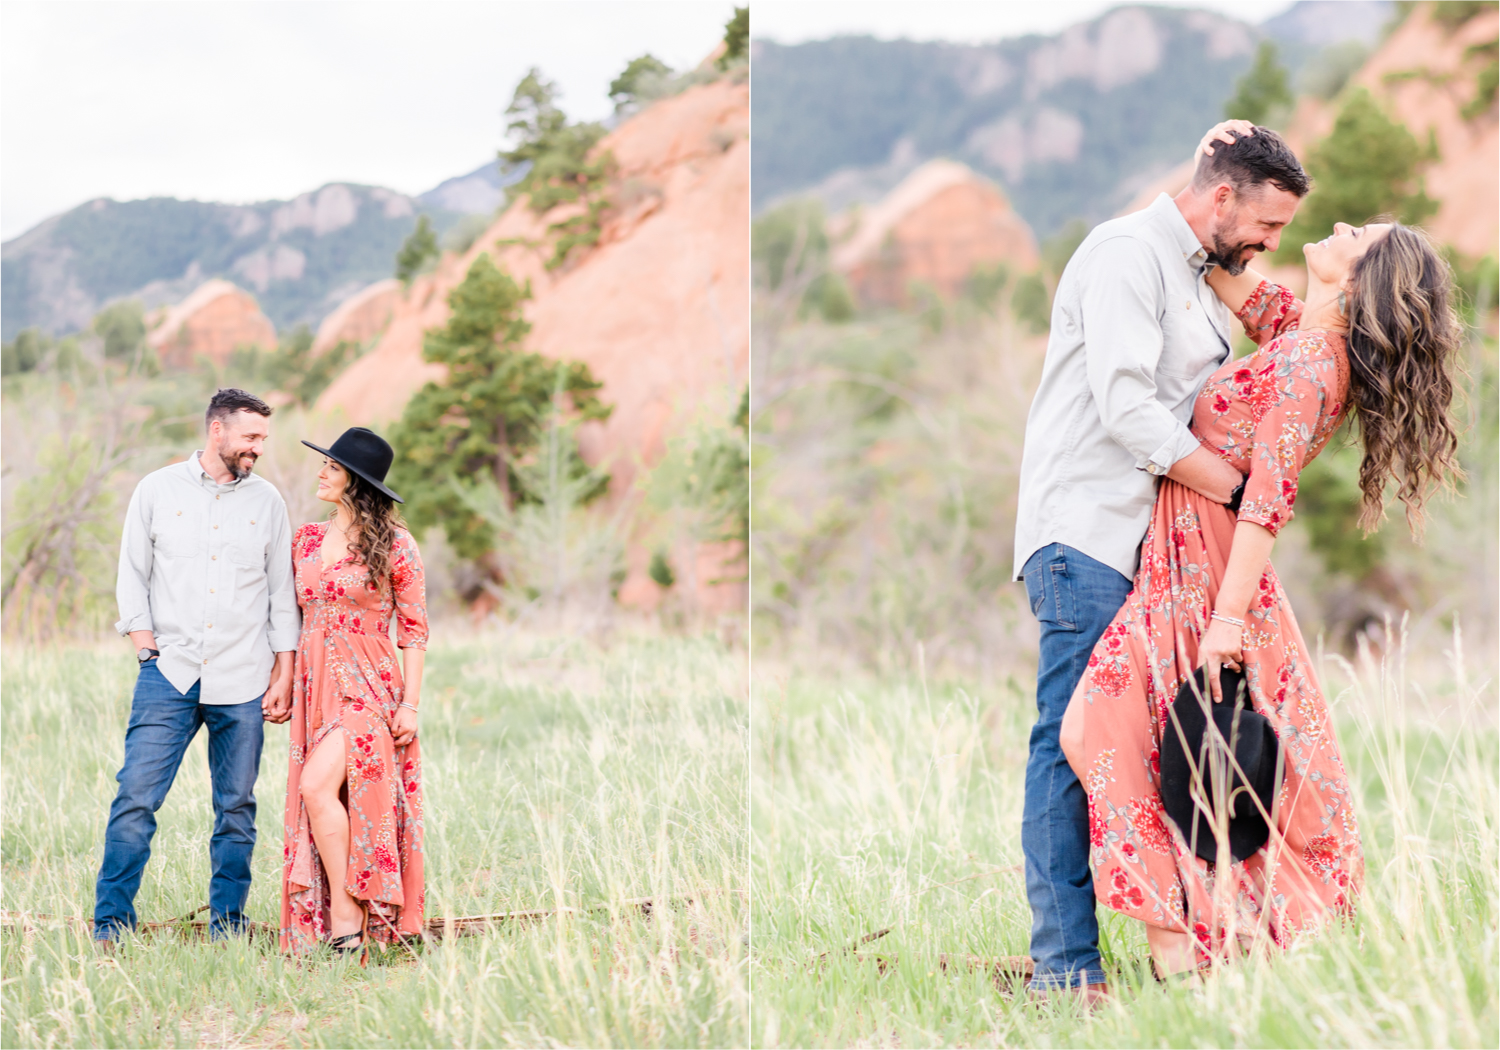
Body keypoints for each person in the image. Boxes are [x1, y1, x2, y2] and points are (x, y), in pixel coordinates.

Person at [1062, 134, 1462, 977]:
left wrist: (1228, 621)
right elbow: (1216, 262)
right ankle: (1181, 939)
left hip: (1210, 563)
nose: (1337, 228)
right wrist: (1208, 160)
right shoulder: (1305, 332)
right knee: (1133, 735)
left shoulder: (1317, 364)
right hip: (1179, 549)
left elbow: (1267, 499)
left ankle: (1183, 932)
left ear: (1361, 279)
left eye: (1356, 236)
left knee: (1105, 727)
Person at [1011, 123, 1312, 998]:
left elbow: (1293, 318)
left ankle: (1163, 950)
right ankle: (1064, 972)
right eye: (1269, 224)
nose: (1270, 244)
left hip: (1139, 546)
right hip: (1086, 536)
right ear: (1222, 198)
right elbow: (1127, 410)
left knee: (1129, 749)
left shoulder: (1192, 267)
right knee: (1069, 748)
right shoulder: (1124, 256)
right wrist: (1237, 490)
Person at [97, 388, 299, 945]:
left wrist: (284, 672)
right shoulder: (157, 490)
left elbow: (283, 596)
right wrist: (144, 646)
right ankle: (111, 923)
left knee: (236, 808)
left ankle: (228, 927)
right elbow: (131, 573)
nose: (259, 447)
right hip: (171, 672)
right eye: (250, 437)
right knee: (136, 797)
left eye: (263, 437)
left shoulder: (269, 503)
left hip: (244, 678)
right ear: (217, 431)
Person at [280, 426, 427, 957]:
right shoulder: (306, 540)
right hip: (317, 684)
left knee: (317, 787)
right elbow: (286, 619)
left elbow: (414, 631)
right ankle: (346, 917)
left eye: (332, 468)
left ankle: (348, 914)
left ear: (356, 483)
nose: (321, 473)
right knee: (326, 795)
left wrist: (410, 704)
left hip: (372, 685)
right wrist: (283, 680)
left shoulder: (395, 544)